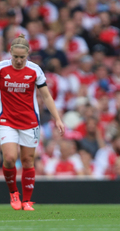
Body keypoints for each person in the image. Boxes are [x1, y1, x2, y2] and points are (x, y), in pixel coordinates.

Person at [0, 34, 65, 211]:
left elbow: (46, 95)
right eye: (16, 57)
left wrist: (57, 118)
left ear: (28, 54)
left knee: (28, 160)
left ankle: (27, 201)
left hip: (29, 121)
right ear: (10, 53)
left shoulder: (35, 70)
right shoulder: (2, 68)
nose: (19, 61)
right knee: (10, 158)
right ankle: (14, 192)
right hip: (7, 120)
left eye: (22, 57)